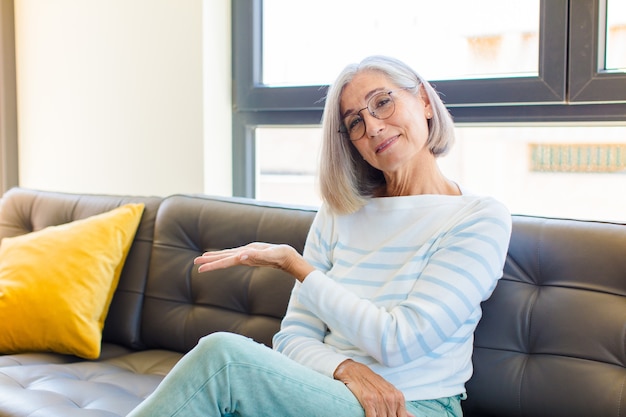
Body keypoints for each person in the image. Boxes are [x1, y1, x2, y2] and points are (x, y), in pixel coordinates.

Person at [128, 55, 512, 417]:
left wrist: (297, 267)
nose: (374, 126)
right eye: (355, 122)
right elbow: (292, 338)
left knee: (223, 360)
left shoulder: (478, 218)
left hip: (412, 406)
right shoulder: (340, 213)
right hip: (327, 392)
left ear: (425, 101)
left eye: (382, 102)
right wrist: (344, 367)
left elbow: (400, 341)